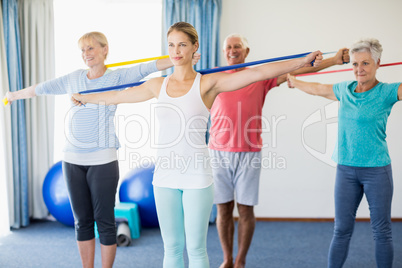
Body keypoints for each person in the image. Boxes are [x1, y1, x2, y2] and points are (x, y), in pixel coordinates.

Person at [71, 22, 323, 268]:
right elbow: (118, 96)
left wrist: (301, 61)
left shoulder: (207, 83)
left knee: (196, 249)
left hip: (197, 178)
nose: (176, 51)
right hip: (165, 177)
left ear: (195, 48)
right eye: (171, 45)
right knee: (171, 249)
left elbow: (258, 72)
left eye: (182, 45)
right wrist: (85, 97)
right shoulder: (158, 85)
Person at [3, 31, 183, 268]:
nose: (86, 54)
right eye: (82, 50)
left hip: (102, 159)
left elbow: (146, 67)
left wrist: (179, 58)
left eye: (91, 48)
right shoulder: (74, 78)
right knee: (82, 221)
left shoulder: (117, 77)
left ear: (104, 50)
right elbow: (43, 88)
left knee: (105, 221)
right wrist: (14, 95)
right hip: (71, 158)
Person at [208, 33, 350, 268]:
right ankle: (226, 259)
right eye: (229, 47)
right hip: (218, 151)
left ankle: (240, 260)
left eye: (237, 47)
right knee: (223, 209)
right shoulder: (214, 75)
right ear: (224, 52)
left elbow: (301, 70)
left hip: (249, 151)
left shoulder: (259, 75)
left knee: (245, 209)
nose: (233, 51)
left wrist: (334, 60)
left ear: (247, 51)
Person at [287, 38, 401, 268]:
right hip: (346, 170)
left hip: (377, 170)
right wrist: (293, 81)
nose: (360, 69)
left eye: (366, 63)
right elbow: (318, 89)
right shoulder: (344, 90)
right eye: (356, 64)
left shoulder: (388, 92)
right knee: (341, 230)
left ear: (378, 63)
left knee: (381, 230)